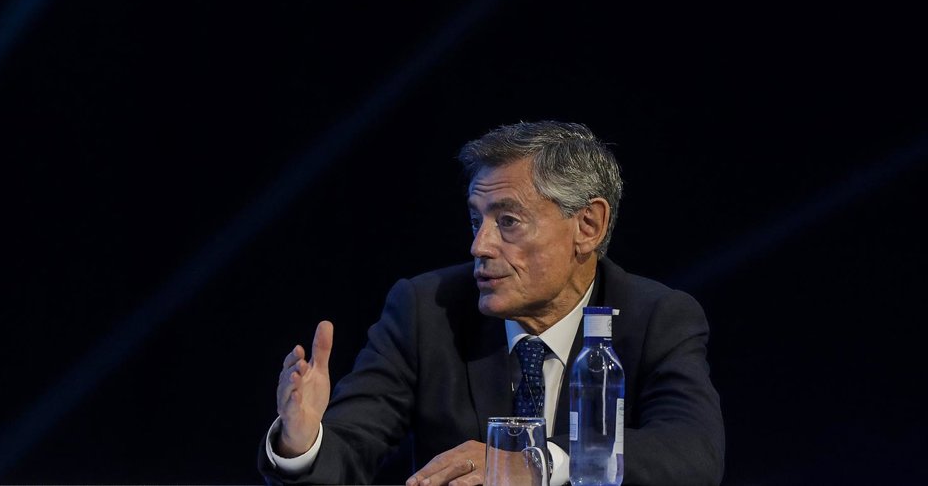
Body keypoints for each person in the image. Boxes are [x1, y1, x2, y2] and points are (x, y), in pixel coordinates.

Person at [258, 120, 725, 485]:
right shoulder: (427, 310)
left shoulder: (655, 318)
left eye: (508, 221)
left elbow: (692, 451)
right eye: (475, 220)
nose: (479, 246)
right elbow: (348, 450)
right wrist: (301, 443)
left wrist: (536, 463)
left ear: (587, 226)